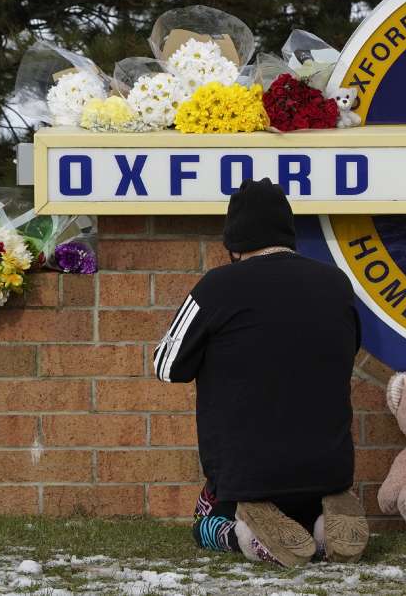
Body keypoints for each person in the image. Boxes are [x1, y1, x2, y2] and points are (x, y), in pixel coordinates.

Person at [154, 178, 367, 566]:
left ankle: (244, 533)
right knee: (307, 505)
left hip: (247, 471)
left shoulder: (217, 287)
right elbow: (349, 349)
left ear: (234, 243)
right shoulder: (336, 284)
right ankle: (322, 527)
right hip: (328, 468)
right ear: (288, 233)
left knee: (205, 520)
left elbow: (167, 367)